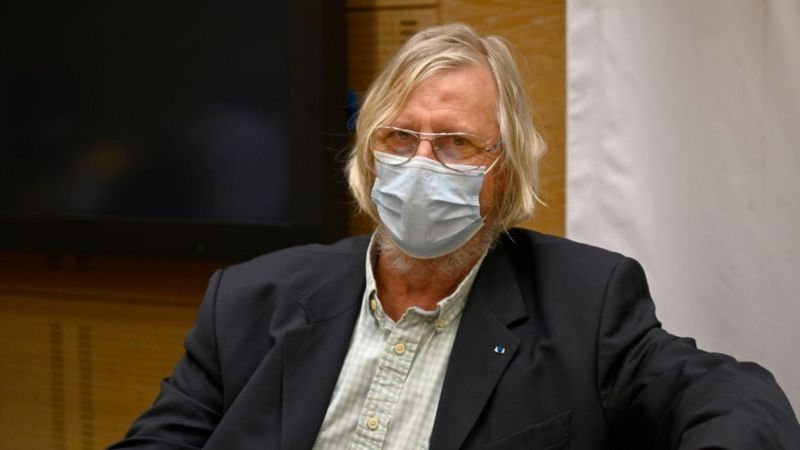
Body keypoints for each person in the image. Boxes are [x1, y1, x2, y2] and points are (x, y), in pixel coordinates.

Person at [110, 23, 800, 450]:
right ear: (367, 153)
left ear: (508, 170)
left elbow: (735, 397)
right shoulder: (251, 297)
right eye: (398, 137)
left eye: (456, 144)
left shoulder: (585, 304)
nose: (419, 163)